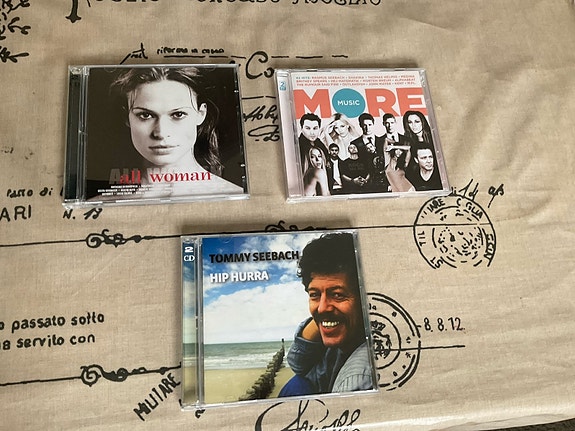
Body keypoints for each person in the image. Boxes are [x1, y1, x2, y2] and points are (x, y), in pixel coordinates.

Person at [109, 66, 243, 198]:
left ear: (201, 114)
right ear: (127, 117)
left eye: (178, 114)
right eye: (145, 115)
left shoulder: (234, 196)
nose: (161, 133)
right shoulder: (106, 201)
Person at [279, 233, 373, 396]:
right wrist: (327, 318)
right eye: (314, 294)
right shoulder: (344, 340)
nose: (322, 307)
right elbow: (296, 362)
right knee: (298, 383)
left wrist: (329, 317)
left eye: (337, 294)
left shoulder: (357, 379)